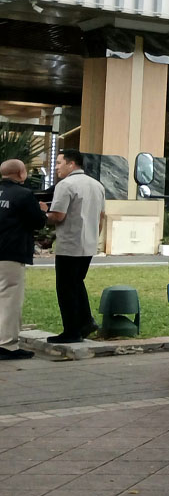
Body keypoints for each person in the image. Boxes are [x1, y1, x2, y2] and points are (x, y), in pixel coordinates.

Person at [44, 149, 105, 344]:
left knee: (65, 288)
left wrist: (43, 213)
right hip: (88, 243)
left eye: (59, 163)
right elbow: (102, 216)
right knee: (77, 283)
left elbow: (58, 216)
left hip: (70, 243)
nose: (56, 167)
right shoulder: (97, 185)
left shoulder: (66, 185)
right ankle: (86, 321)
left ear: (72, 164)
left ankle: (71, 330)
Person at [0, 159, 47, 360]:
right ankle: (7, 345)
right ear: (21, 173)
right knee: (10, 298)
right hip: (11, 253)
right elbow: (37, 221)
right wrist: (43, 211)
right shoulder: (24, 195)